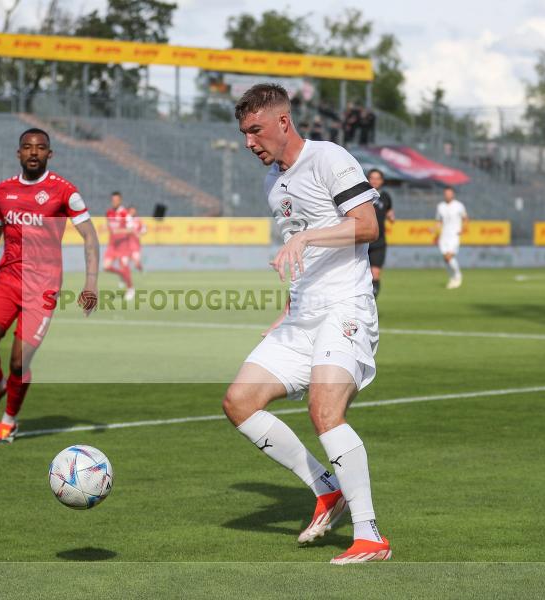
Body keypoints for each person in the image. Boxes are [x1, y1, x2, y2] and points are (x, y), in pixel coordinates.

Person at [225, 83, 390, 564]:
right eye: (243, 133)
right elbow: (299, 248)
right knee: (239, 401)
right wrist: (288, 305)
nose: (249, 142)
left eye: (255, 130)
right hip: (302, 315)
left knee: (324, 409)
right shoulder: (272, 183)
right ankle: (326, 489)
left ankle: (370, 535)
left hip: (346, 308)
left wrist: (308, 239)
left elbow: (366, 225)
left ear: (283, 121)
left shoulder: (328, 158)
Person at [0, 128, 99, 443]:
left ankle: (10, 419)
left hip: (42, 287)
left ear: (49, 154)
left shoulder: (64, 191)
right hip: (7, 280)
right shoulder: (2, 190)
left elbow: (90, 236)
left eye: (40, 148)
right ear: (18, 153)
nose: (33, 152)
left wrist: (91, 283)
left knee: (19, 360)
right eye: (27, 147)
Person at [366, 169, 394, 299]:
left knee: (375, 274)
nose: (375, 180)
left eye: (377, 178)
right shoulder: (362, 195)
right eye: (372, 178)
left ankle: (372, 306)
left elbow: (389, 211)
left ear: (382, 181)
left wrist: (390, 216)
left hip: (379, 242)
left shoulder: (385, 196)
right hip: (362, 241)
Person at [434, 186, 468, 289]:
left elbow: (465, 218)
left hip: (454, 235)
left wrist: (463, 228)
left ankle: (458, 276)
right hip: (444, 236)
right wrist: (434, 229)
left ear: (453, 194)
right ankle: (452, 277)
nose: (447, 195)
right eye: (446, 193)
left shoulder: (459, 206)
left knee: (449, 257)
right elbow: (439, 221)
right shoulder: (440, 206)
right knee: (446, 259)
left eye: (449, 193)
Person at [103, 191, 135, 300]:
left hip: (123, 246)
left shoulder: (125, 213)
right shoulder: (109, 212)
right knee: (106, 267)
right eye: (113, 200)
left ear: (120, 200)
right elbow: (109, 225)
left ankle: (130, 289)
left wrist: (119, 230)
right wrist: (105, 227)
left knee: (125, 267)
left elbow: (131, 229)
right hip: (112, 245)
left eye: (116, 200)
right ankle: (121, 274)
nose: (114, 202)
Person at [126, 205, 146, 271]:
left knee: (136, 263)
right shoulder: (126, 219)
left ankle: (140, 269)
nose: (132, 212)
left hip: (135, 245)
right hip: (126, 244)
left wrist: (140, 233)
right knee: (125, 263)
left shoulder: (139, 220)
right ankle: (123, 280)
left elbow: (144, 230)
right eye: (131, 211)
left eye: (134, 210)